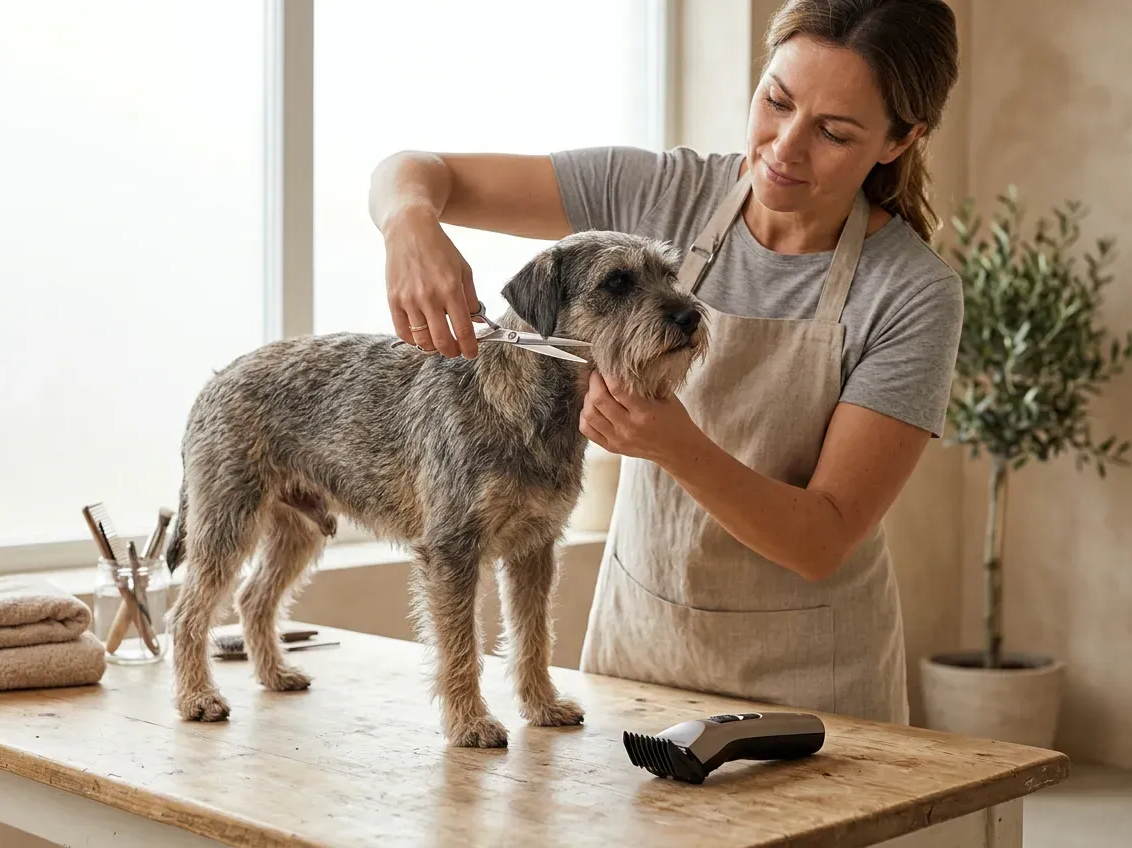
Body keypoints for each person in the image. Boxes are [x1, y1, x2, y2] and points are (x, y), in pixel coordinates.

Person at [367, 0, 962, 725]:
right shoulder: (659, 194)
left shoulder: (911, 293)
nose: (784, 148)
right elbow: (415, 171)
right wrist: (409, 224)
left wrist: (675, 447)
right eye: (775, 101)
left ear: (902, 140)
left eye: (834, 133)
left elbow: (823, 538)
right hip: (638, 658)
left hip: (812, 693)